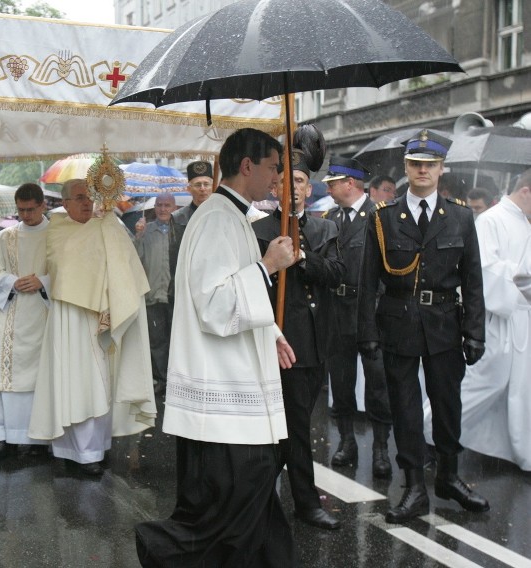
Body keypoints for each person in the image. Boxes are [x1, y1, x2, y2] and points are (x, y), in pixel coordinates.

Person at [135, 128, 297, 567]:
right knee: (225, 520)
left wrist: (272, 333)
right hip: (224, 404)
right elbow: (213, 303)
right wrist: (267, 267)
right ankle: (160, 550)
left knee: (253, 508)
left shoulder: (233, 216)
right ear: (247, 166)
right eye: (273, 168)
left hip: (237, 391)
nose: (278, 178)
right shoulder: (218, 219)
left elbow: (232, 293)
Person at [358, 129, 488, 524]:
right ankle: (414, 487)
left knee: (448, 406)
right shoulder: (383, 218)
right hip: (398, 324)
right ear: (406, 167)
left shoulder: (461, 217)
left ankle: (448, 476)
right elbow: (368, 281)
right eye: (416, 164)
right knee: (406, 409)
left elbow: (474, 279)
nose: (422, 171)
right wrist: (367, 334)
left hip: (446, 325)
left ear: (441, 169)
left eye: (430, 165)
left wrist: (476, 331)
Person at [28, 177, 156, 477]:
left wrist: (111, 225)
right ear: (65, 203)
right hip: (69, 319)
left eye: (90, 196)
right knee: (73, 383)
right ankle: (74, 453)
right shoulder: (56, 230)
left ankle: (95, 450)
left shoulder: (108, 227)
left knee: (99, 383)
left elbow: (125, 267)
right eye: (80, 197)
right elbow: (58, 271)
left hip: (102, 320)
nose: (87, 202)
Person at [253, 151, 344, 530]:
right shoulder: (259, 231)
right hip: (275, 337)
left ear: (310, 187)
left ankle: (287, 500)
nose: (293, 188)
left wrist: (303, 257)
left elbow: (337, 273)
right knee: (280, 425)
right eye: (285, 181)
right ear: (274, 188)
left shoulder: (325, 230)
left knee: (298, 422)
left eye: (301, 181)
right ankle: (282, 499)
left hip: (312, 340)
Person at [427, 171, 530, 470]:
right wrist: (522, 277)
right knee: (483, 383)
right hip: (496, 320)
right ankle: (429, 431)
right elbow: (481, 271)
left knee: (514, 388)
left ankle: (510, 450)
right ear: (525, 191)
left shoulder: (523, 221)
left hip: (520, 320)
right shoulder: (492, 220)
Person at [324, 157, 394, 479]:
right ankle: (347, 441)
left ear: (350, 183)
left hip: (371, 312)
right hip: (337, 311)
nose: (328, 187)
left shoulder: (381, 217)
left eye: (333, 182)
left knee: (378, 383)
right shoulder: (330, 218)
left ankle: (381, 448)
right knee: (341, 381)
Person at [0, 183, 50, 460]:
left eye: (31, 210)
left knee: (40, 379)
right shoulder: (6, 236)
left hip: (45, 315)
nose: (25, 215)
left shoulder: (56, 235)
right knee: (4, 375)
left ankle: (38, 440)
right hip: (13, 315)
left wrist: (43, 281)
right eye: (21, 210)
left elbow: (69, 272)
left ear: (43, 205)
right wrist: (11, 282)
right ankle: (5, 437)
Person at [134, 192, 177, 394]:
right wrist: (138, 237)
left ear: (174, 208)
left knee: (175, 338)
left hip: (175, 296)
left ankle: (176, 378)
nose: (163, 209)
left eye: (167, 205)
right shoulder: (146, 232)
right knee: (157, 340)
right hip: (153, 296)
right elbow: (136, 260)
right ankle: (162, 379)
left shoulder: (179, 232)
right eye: (159, 205)